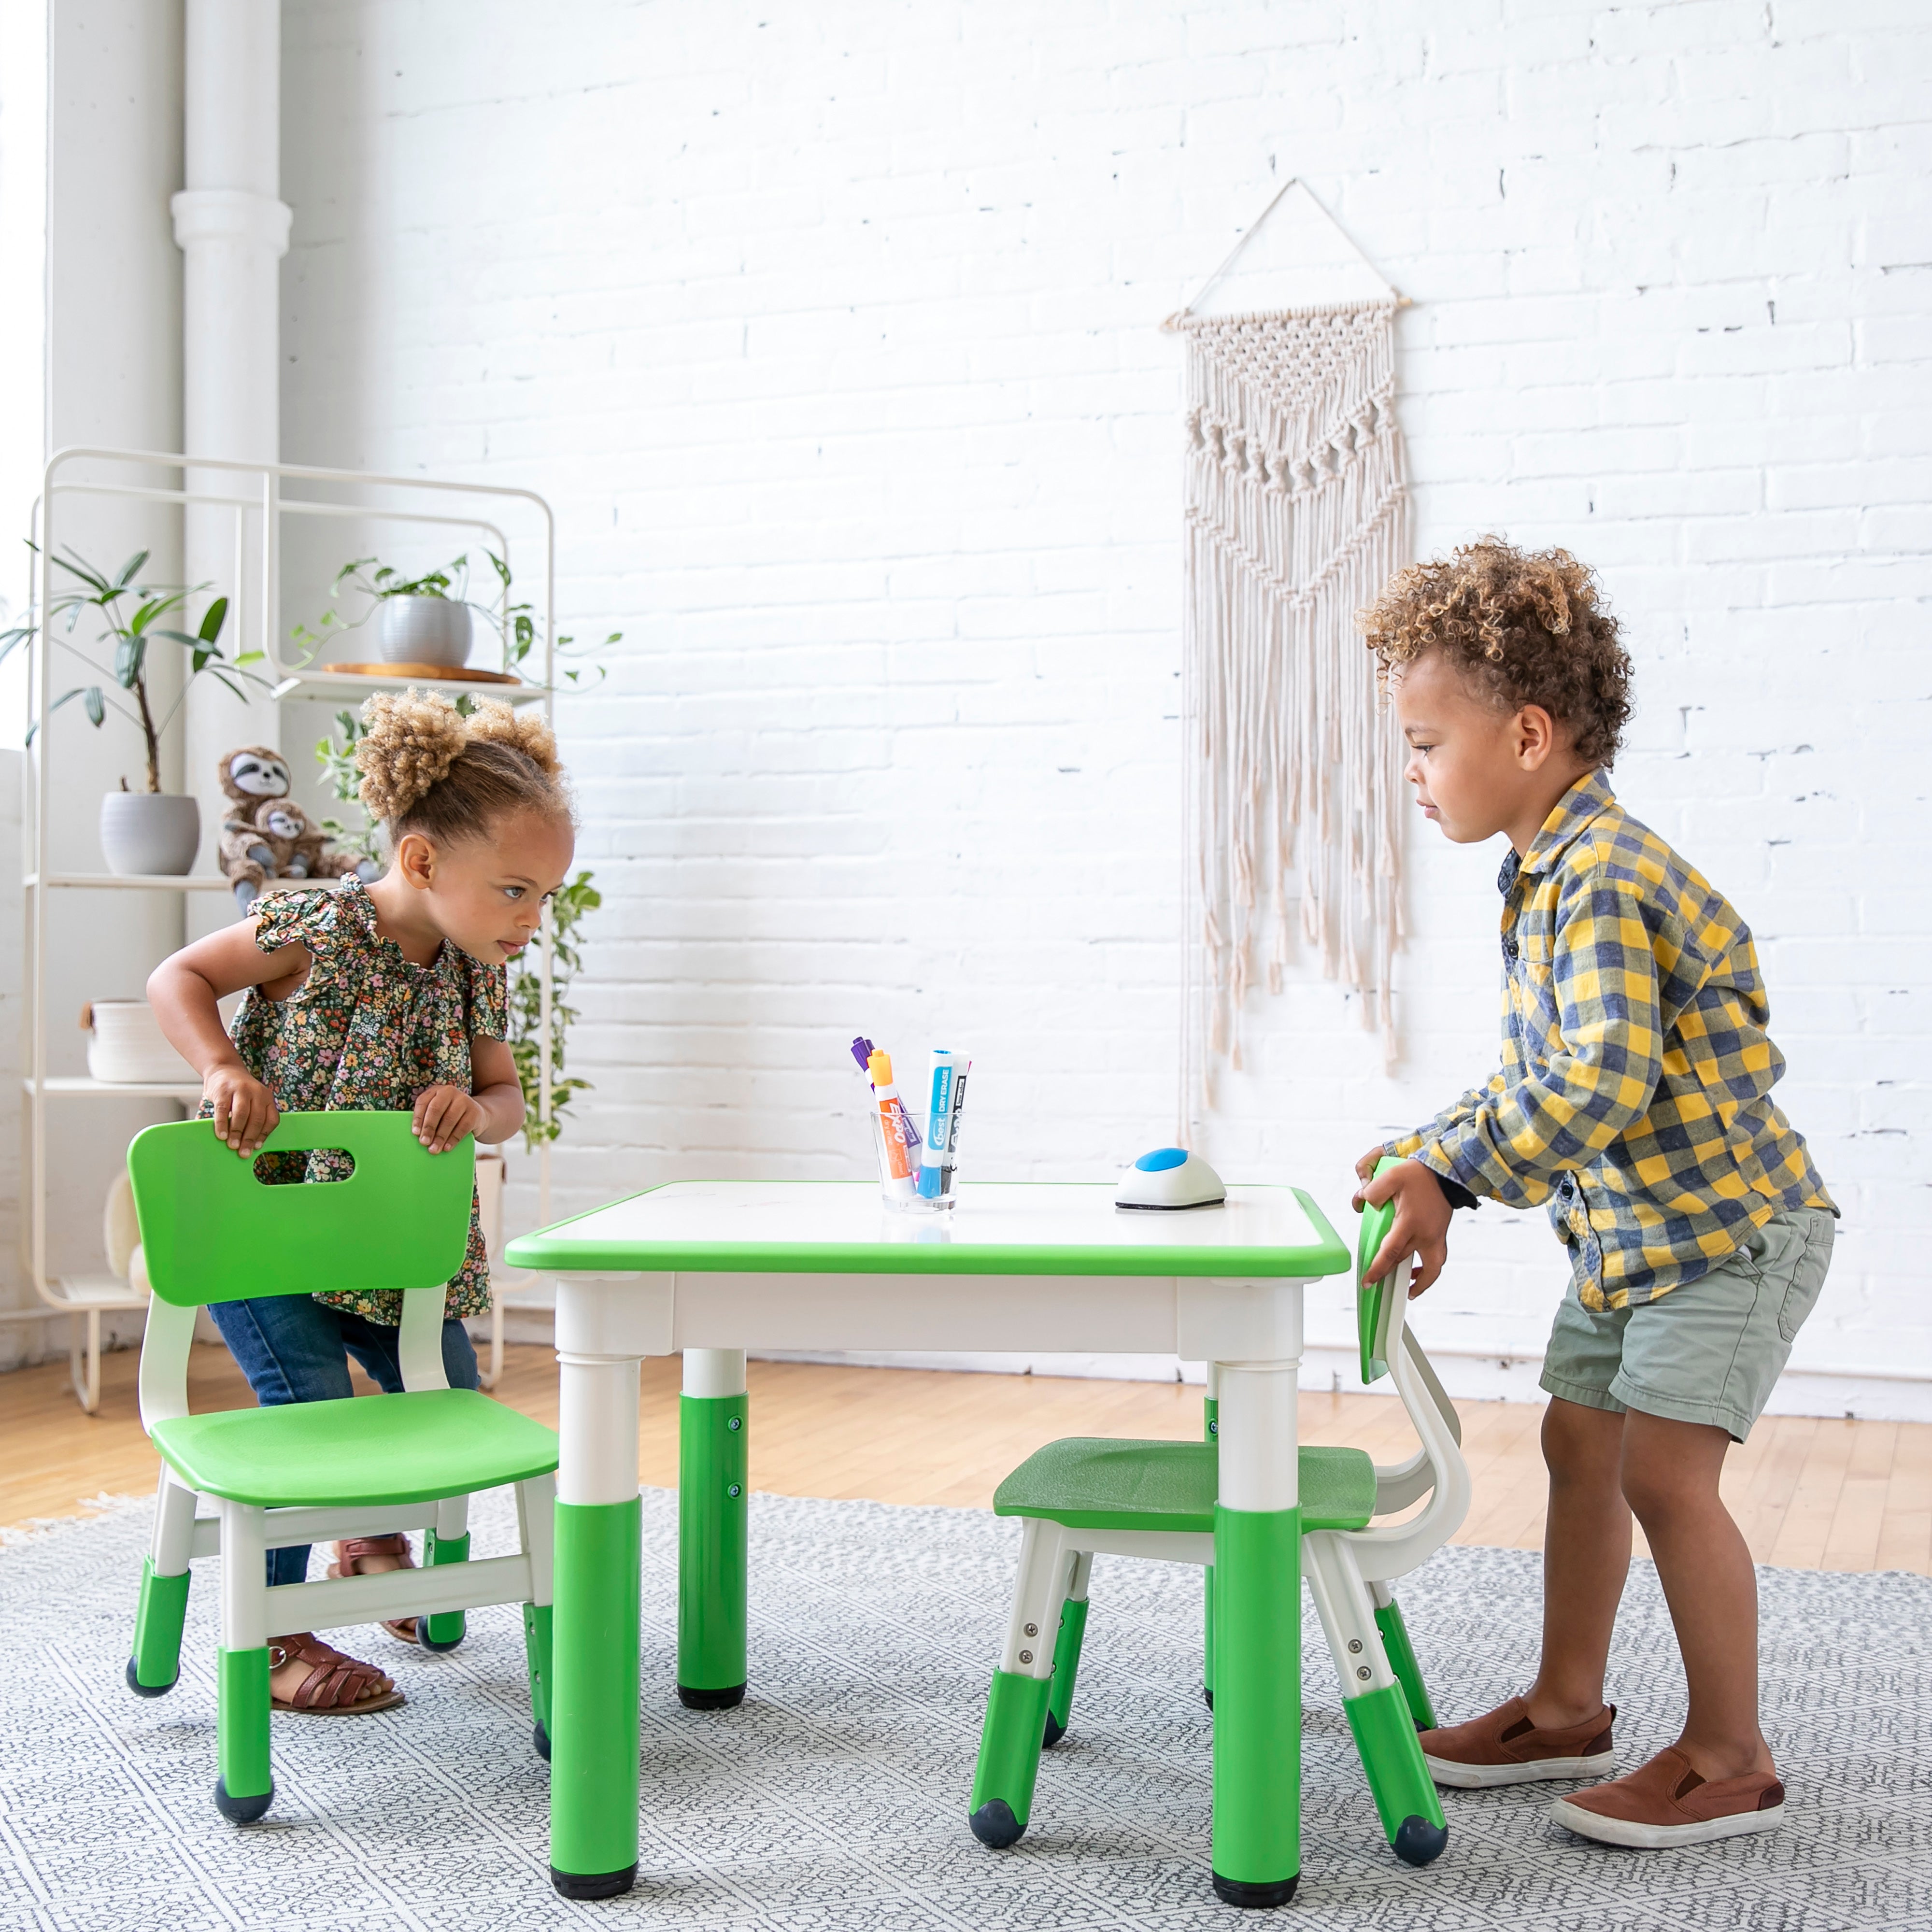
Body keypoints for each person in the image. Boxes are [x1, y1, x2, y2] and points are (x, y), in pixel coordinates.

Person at [1352, 539, 1834, 1849]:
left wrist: (1457, 1170)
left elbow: (1600, 1080)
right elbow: (1539, 1073)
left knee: (1666, 1477)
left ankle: (1729, 1754)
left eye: (1424, 744)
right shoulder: (1549, 874)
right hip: (1631, 1243)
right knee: (1579, 1444)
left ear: (1526, 735)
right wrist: (1435, 1151)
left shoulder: (1603, 877)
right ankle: (1565, 1707)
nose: (1411, 773)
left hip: (1727, 1237)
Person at [148, 691, 575, 1716]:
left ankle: (371, 1541)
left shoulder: (473, 972)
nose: (532, 918)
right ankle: (275, 1636)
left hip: (392, 1250)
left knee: (445, 1391)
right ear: (422, 861)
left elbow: (508, 1098)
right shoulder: (319, 925)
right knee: (309, 1407)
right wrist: (221, 1067)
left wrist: (474, 1109)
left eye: (546, 896)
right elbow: (179, 976)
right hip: (265, 1236)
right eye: (515, 890)